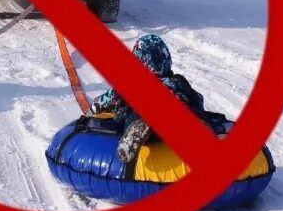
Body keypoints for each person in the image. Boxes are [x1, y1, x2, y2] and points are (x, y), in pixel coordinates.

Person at [88, 34, 207, 163]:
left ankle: (145, 127)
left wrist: (93, 109)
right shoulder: (176, 81)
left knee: (134, 117)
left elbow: (106, 99)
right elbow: (197, 98)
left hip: (149, 114)